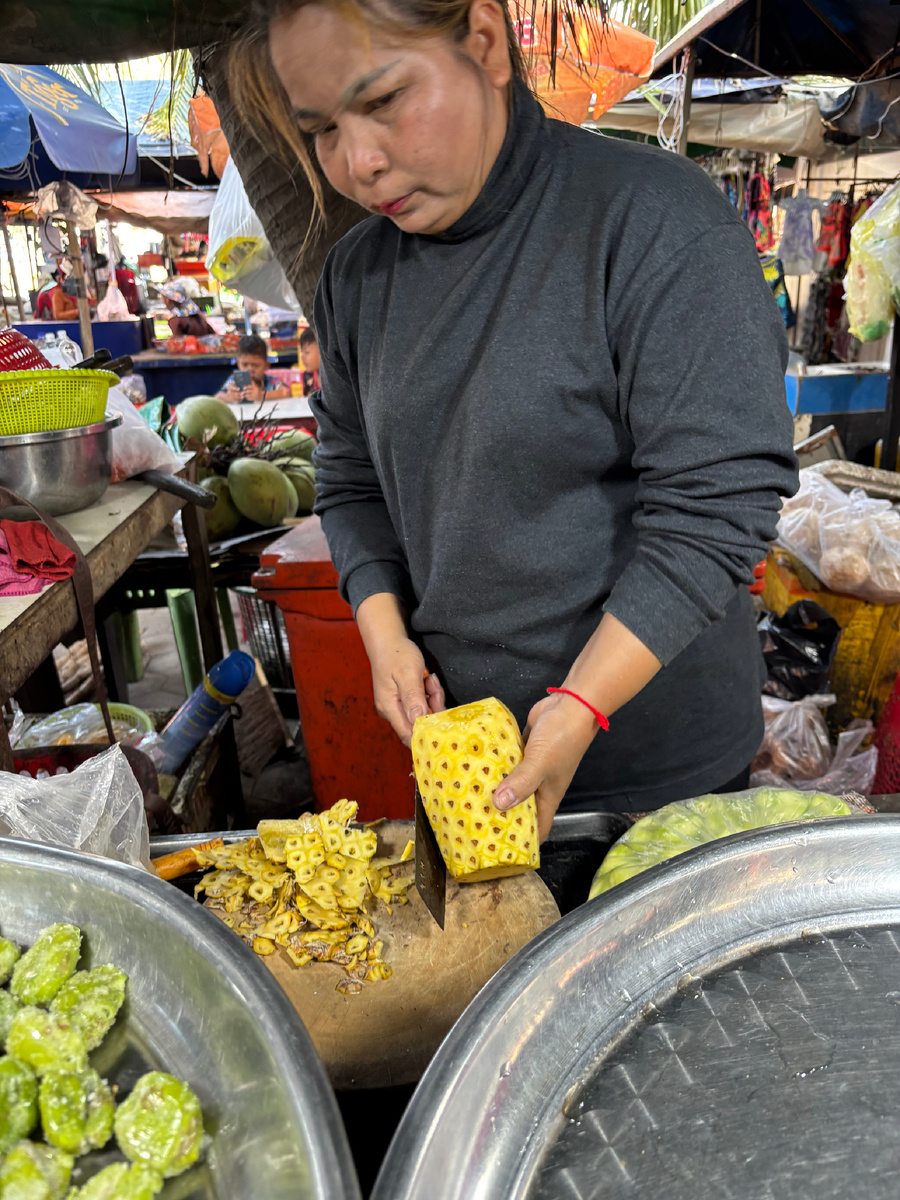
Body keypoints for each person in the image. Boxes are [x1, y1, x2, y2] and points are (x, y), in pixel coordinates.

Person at [233, 0, 798, 840]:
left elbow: (716, 508)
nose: (359, 162)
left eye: (383, 101)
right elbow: (351, 482)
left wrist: (580, 703)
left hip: (655, 771)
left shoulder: (654, 221)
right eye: (321, 130)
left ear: (486, 43)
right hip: (468, 753)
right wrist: (387, 640)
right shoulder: (356, 278)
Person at [218, 333, 291, 402]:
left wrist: (261, 396)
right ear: (238, 363)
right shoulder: (233, 381)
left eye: (255, 365)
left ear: (266, 365)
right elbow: (217, 397)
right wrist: (227, 397)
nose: (250, 369)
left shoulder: (271, 382)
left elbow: (286, 393)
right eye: (245, 364)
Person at [299, 326, 320, 395]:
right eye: (302, 351)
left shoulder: (331, 379)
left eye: (307, 352)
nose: (302, 356)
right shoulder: (307, 376)